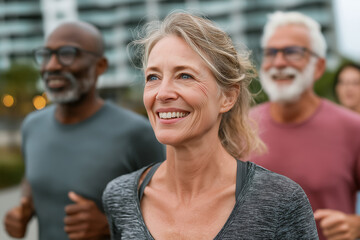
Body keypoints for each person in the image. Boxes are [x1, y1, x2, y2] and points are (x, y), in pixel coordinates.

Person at [102, 12, 318, 239]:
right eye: (153, 77)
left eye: (184, 76)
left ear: (227, 97)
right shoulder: (121, 196)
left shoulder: (281, 201)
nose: (163, 93)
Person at [3, 21, 165, 240]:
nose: (52, 65)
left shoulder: (139, 134)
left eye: (67, 54)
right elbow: (31, 179)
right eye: (46, 54)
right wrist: (23, 210)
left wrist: (110, 227)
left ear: (100, 65)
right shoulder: (32, 125)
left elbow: (172, 212)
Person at [249, 11, 360, 240]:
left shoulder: (353, 128)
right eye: (271, 53)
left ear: (319, 66)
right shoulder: (239, 128)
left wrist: (357, 226)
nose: (279, 62)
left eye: (292, 52)